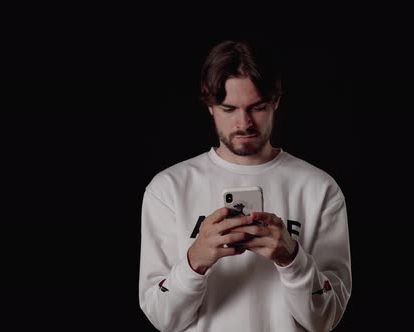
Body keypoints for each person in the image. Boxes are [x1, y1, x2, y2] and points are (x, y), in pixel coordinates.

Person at [139, 39, 352, 332]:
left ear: (276, 100)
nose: (244, 123)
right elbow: (162, 318)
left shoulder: (319, 189)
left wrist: (292, 259)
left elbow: (325, 319)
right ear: (209, 105)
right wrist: (195, 262)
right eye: (228, 109)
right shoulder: (168, 189)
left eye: (257, 107)